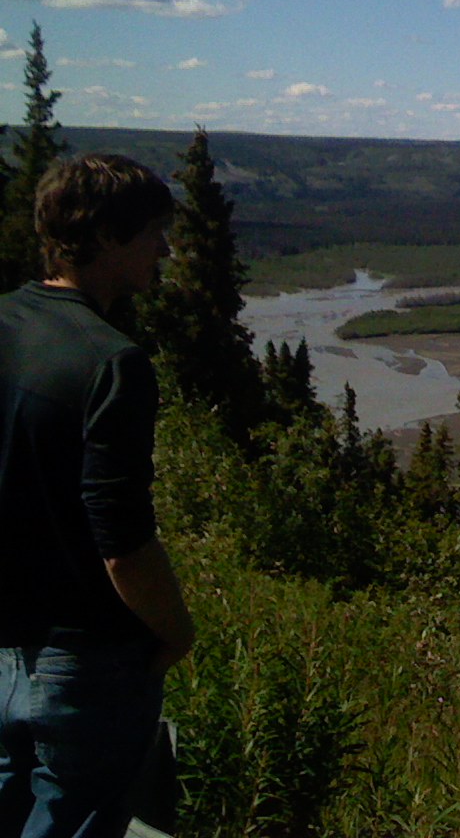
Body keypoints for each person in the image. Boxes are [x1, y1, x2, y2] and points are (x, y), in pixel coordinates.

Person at [0, 154, 195, 836]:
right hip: (85, 662)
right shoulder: (113, 361)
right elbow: (123, 542)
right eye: (153, 233)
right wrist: (175, 630)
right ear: (107, 237)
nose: (166, 249)